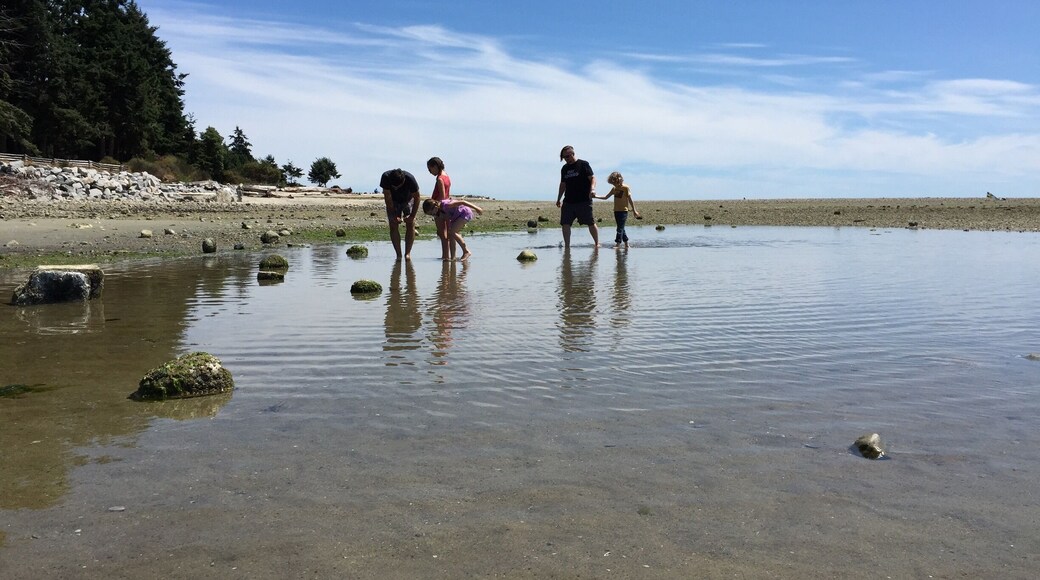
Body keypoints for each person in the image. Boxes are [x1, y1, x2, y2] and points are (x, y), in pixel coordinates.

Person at [556, 145, 599, 249]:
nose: (566, 160)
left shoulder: (583, 164)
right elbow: (563, 184)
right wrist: (558, 199)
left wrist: (592, 189)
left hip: (584, 200)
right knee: (565, 223)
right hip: (569, 201)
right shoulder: (565, 168)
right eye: (564, 158)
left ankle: (597, 244)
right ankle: (567, 246)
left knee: (590, 222)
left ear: (572, 154)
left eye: (567, 157)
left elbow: (592, 178)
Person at [379, 168, 421, 260]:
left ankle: (407, 254)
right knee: (393, 224)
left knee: (410, 223)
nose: (396, 188)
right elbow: (388, 198)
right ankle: (398, 254)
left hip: (408, 199)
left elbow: (417, 198)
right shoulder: (385, 177)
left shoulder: (410, 179)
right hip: (393, 201)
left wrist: (412, 216)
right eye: (394, 187)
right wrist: (394, 215)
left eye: (398, 186)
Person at [597, 171, 641, 248]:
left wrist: (634, 210)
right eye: (612, 184)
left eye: (614, 183)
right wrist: (596, 196)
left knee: (619, 228)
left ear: (618, 180)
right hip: (616, 211)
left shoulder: (625, 188)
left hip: (624, 211)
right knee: (621, 227)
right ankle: (627, 244)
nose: (613, 185)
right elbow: (606, 197)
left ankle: (618, 244)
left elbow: (630, 199)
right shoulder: (614, 188)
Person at [427, 157, 453, 260]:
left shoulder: (440, 178)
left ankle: (445, 256)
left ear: (435, 166)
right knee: (447, 232)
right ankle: (449, 256)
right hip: (447, 206)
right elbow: (447, 194)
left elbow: (442, 196)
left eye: (430, 169)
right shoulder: (446, 176)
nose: (429, 172)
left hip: (439, 208)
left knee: (442, 233)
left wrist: (437, 208)